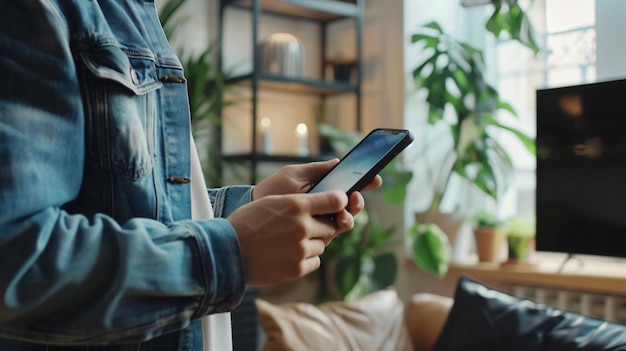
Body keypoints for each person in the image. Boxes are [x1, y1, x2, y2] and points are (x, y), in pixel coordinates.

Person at [0, 1, 381, 350]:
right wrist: (231, 251)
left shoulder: (133, 11)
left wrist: (245, 206)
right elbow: (16, 263)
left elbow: (134, 202)